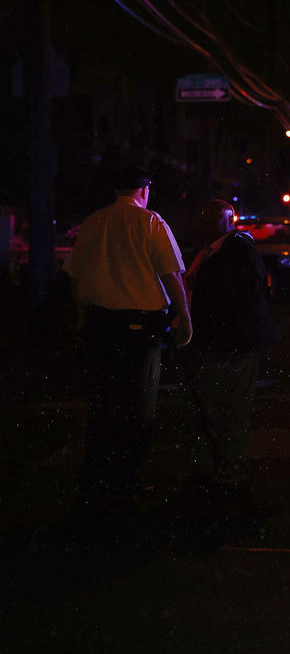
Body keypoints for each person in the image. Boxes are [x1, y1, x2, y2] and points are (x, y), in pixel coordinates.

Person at [64, 162, 192, 512]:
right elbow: (170, 273)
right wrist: (185, 316)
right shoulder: (150, 222)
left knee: (103, 401)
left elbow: (75, 275)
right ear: (143, 190)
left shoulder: (94, 221)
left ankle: (96, 479)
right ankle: (126, 480)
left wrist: (80, 317)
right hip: (140, 327)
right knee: (138, 405)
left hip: (100, 324)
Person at [182, 199, 276, 508]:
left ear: (229, 221)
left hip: (227, 343)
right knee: (219, 407)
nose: (206, 222)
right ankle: (224, 470)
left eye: (214, 218)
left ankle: (231, 474)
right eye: (205, 217)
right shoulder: (215, 251)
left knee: (228, 407)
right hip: (218, 342)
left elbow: (240, 294)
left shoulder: (234, 250)